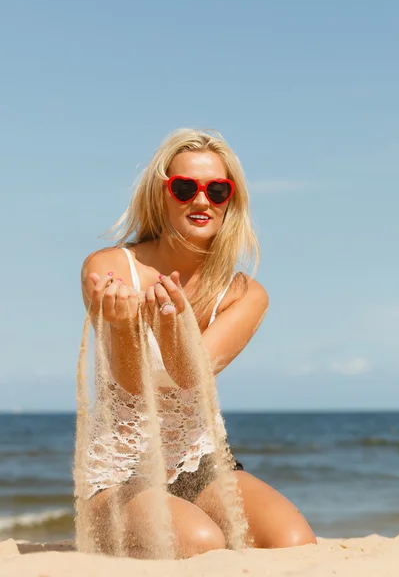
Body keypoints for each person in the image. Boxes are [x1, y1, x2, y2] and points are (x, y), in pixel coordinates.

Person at [81, 128, 317, 558]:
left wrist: (172, 325)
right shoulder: (111, 267)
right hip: (122, 475)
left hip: (201, 467)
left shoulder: (245, 293)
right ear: (162, 194)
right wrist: (121, 328)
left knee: (295, 544)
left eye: (217, 190)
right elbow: (134, 385)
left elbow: (191, 375)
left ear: (232, 200)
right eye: (185, 187)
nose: (202, 201)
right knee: (202, 543)